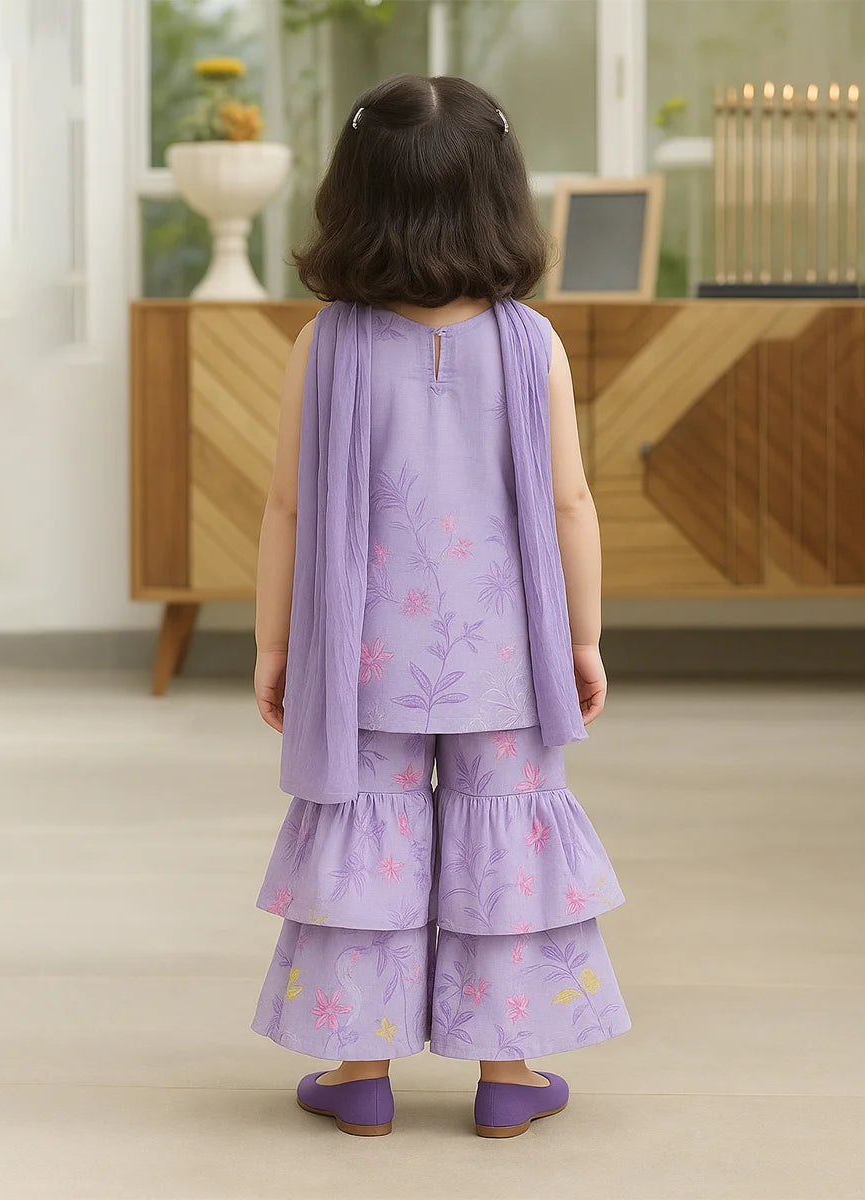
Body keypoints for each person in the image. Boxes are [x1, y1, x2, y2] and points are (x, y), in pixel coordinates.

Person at [249, 73, 630, 1139]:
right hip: (504, 659)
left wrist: (275, 643)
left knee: (364, 837)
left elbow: (287, 508)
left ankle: (359, 1071)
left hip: (361, 657)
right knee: (504, 840)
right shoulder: (531, 343)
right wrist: (584, 638)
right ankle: (507, 1076)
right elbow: (569, 503)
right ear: (499, 195)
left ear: (354, 195)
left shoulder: (326, 344)